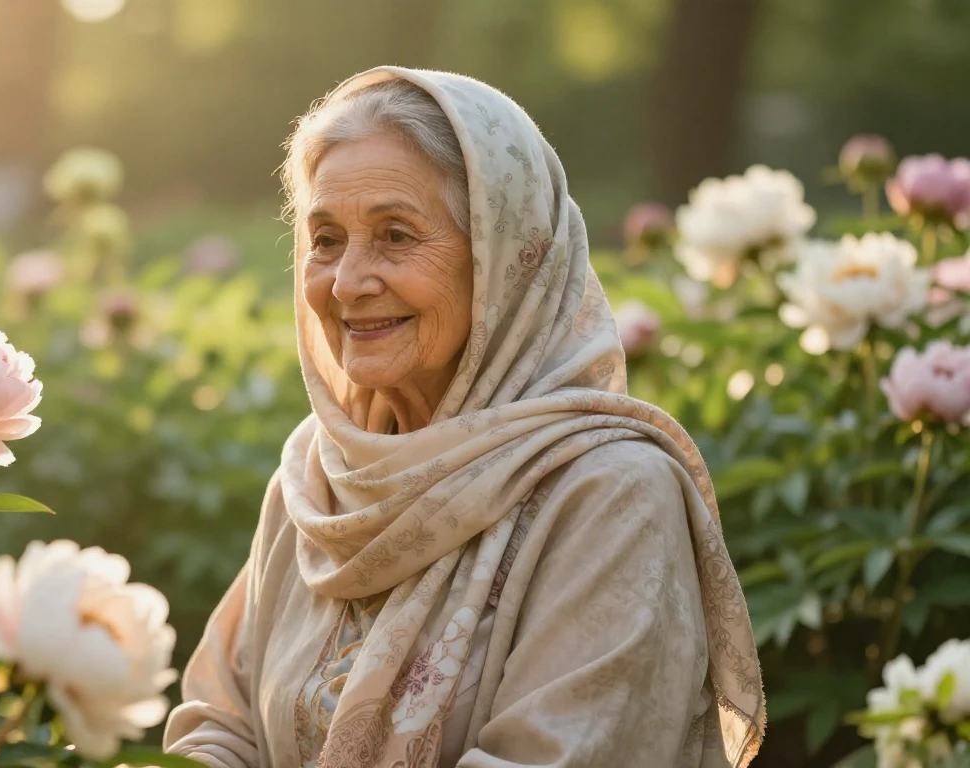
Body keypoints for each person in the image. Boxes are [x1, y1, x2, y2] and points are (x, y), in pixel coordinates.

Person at [164, 66, 764, 768]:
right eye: (325, 239)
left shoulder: (614, 494)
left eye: (394, 234)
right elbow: (219, 722)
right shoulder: (318, 473)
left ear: (507, 258)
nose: (349, 281)